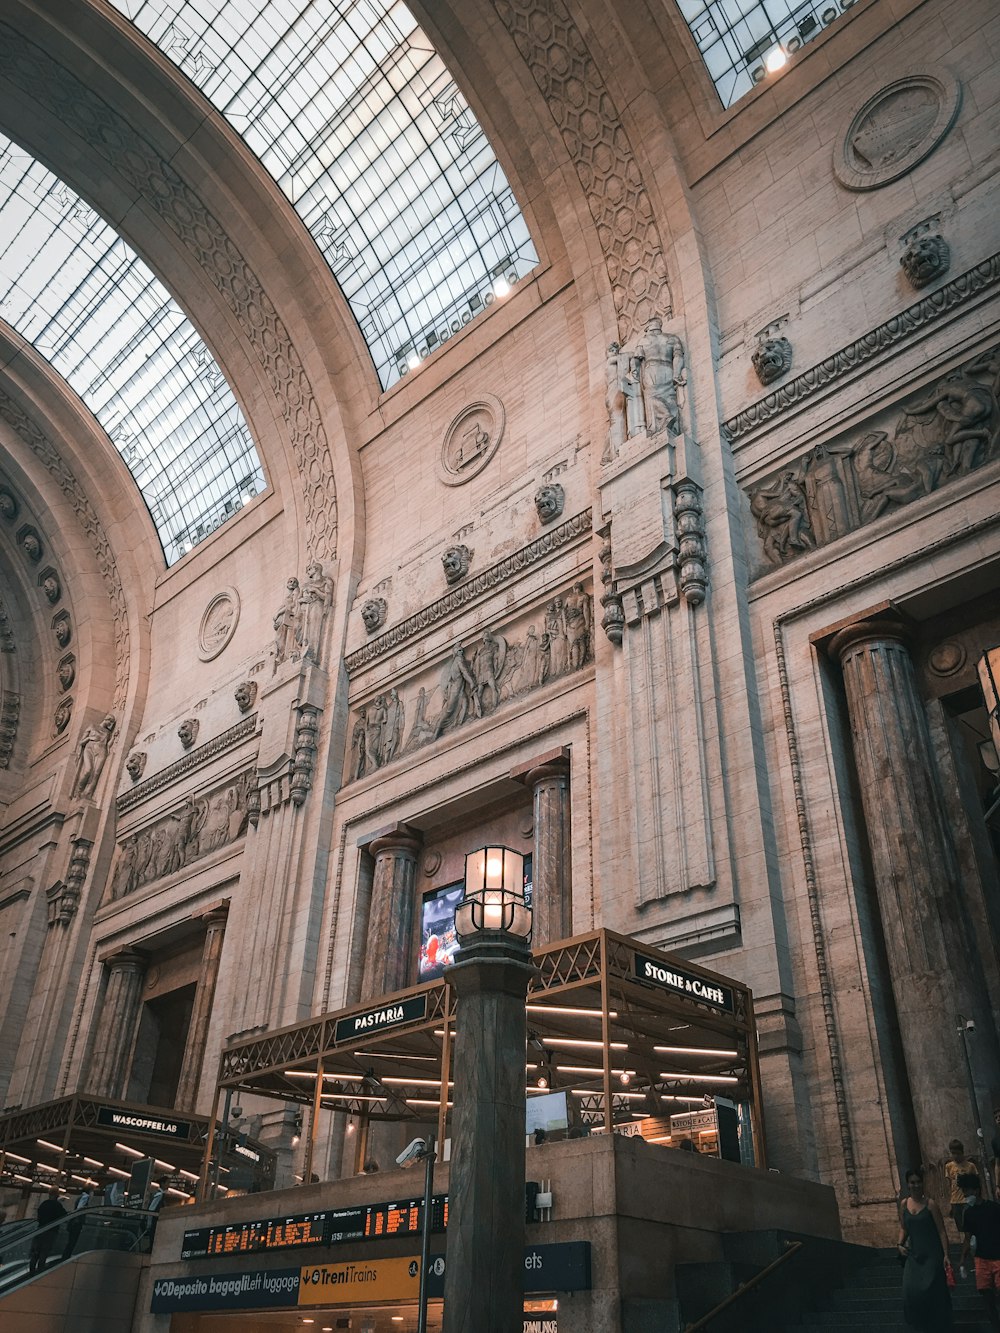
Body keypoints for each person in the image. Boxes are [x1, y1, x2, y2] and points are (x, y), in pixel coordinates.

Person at [897, 1166, 952, 1331]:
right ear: (908, 1184)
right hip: (915, 1255)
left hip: (932, 1255)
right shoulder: (904, 1204)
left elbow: (942, 1231)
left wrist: (946, 1254)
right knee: (910, 1291)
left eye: (919, 1182)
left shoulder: (930, 1205)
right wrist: (899, 1244)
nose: (916, 1185)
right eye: (912, 1182)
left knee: (932, 1292)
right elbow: (904, 1227)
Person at [959, 1171, 1000, 1330]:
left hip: (998, 1256)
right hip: (981, 1258)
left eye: (966, 1191)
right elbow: (968, 1237)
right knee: (986, 1296)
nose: (964, 1195)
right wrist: (963, 1258)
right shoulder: (968, 1213)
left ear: (975, 1190)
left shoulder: (994, 1208)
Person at [944, 1138, 980, 1235]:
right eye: (953, 1153)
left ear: (962, 1152)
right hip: (955, 1200)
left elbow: (977, 1183)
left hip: (968, 1200)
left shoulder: (970, 1166)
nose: (955, 1156)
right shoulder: (949, 1166)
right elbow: (949, 1185)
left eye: (957, 1153)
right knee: (961, 1228)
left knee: (971, 1227)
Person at [28, 1186, 67, 1274]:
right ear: (57, 1194)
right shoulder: (57, 1205)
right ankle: (40, 1271)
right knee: (44, 1252)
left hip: (40, 1230)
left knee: (36, 1252)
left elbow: (39, 1217)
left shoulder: (44, 1204)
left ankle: (32, 1271)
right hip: (51, 1231)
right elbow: (63, 1215)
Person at [61, 1185, 92, 1260]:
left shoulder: (80, 1196)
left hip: (73, 1222)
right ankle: (66, 1256)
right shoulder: (86, 1197)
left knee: (70, 1240)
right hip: (77, 1222)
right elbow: (80, 1208)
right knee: (73, 1241)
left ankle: (65, 1256)